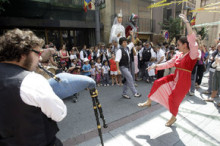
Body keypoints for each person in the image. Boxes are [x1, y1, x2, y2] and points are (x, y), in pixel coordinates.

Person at [0, 29, 67, 145]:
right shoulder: (32, 80)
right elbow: (59, 113)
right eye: (37, 53)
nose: (39, 58)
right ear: (22, 54)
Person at [138, 14, 199, 127]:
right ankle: (149, 101)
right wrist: (155, 66)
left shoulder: (192, 55)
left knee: (173, 99)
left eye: (179, 44)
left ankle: (173, 117)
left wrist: (187, 23)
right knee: (157, 82)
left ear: (185, 45)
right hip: (175, 77)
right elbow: (169, 63)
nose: (177, 46)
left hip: (183, 81)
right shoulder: (179, 54)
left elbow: (193, 41)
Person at [115, 31, 142, 99]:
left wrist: (132, 35)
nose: (126, 43)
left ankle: (124, 93)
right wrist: (118, 69)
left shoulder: (127, 48)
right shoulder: (119, 51)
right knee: (130, 78)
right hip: (122, 67)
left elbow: (133, 43)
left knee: (127, 80)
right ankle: (135, 93)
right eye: (124, 42)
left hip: (127, 67)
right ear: (121, 43)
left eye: (126, 42)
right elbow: (117, 61)